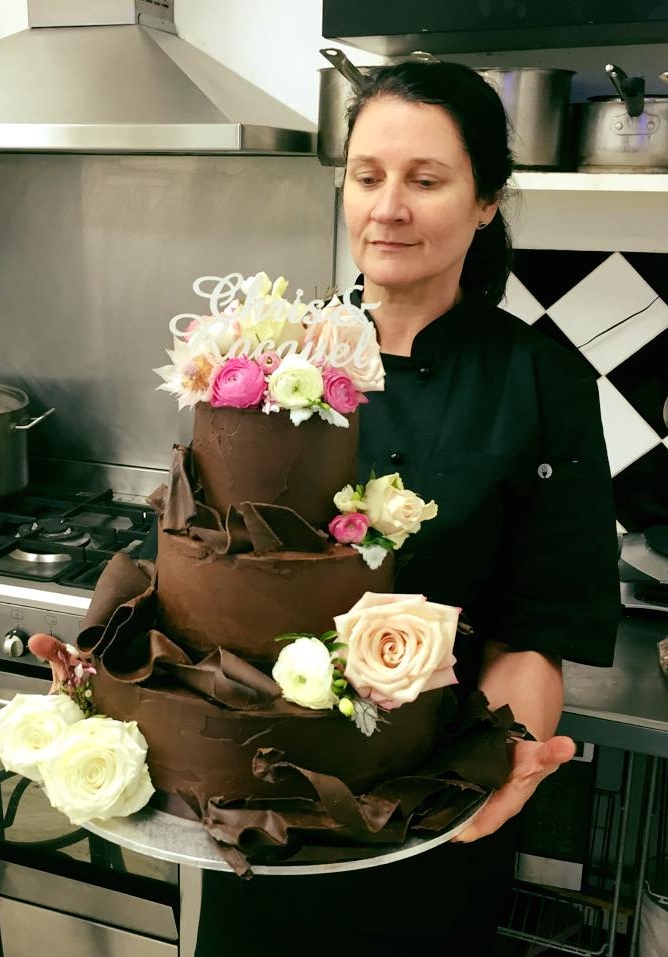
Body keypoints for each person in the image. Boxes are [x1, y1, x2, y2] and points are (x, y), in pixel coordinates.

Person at [192, 61, 620, 956]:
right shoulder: (267, 365)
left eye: (426, 180)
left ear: (486, 199)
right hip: (260, 813)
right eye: (367, 175)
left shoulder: (542, 383)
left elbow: (535, 631)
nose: (389, 206)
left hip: (431, 819)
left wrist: (503, 765)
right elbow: (210, 574)